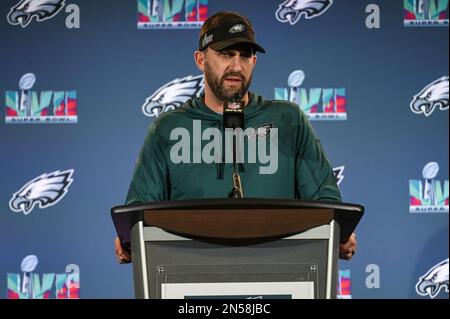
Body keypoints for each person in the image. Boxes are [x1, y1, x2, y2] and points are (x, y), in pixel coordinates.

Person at [115, 11, 357, 264]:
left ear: (254, 60)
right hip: (192, 284)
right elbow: (139, 215)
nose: (236, 66)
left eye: (245, 55)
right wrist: (129, 238)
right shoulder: (167, 129)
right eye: (225, 54)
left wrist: (339, 231)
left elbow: (326, 203)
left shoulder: (289, 120)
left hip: (281, 276)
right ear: (200, 59)